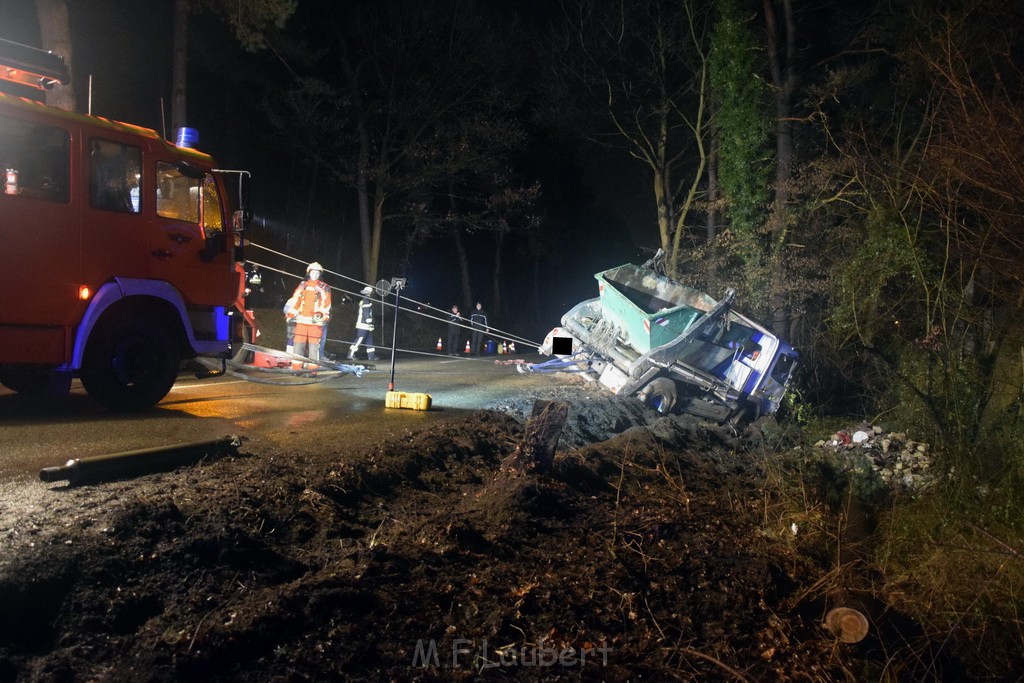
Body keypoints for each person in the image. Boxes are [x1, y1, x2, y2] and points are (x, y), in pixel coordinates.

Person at [283, 262, 332, 365]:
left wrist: (321, 315)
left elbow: (326, 303)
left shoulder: (324, 287)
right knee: (298, 347)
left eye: (317, 273)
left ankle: (312, 371)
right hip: (301, 321)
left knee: (313, 349)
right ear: (309, 273)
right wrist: (290, 315)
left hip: (315, 323)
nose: (315, 275)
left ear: (320, 275)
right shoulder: (303, 285)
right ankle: (296, 369)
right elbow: (296, 300)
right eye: (313, 272)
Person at [348, 286, 378, 361]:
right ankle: (350, 354)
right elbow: (366, 313)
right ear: (370, 293)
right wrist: (370, 323)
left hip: (364, 324)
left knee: (369, 340)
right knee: (359, 339)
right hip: (364, 324)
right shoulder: (366, 301)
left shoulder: (364, 300)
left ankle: (371, 356)